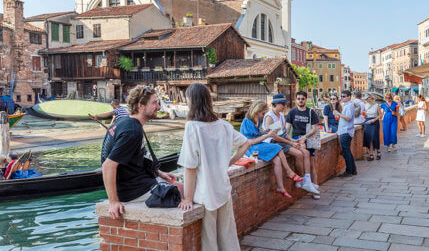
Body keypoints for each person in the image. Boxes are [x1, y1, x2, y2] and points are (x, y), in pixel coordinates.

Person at [178, 83, 250, 251]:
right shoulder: (224, 125)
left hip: (205, 192)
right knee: (228, 236)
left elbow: (190, 167)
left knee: (209, 241)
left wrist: (188, 199)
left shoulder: (192, 127)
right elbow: (245, 144)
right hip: (223, 188)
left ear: (192, 101)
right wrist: (228, 162)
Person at [101, 86, 183, 218]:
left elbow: (137, 158)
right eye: (154, 103)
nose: (158, 107)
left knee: (180, 185)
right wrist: (114, 202)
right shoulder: (132, 131)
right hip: (133, 191)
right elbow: (108, 166)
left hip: (137, 182)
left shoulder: (125, 122)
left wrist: (160, 173)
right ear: (141, 105)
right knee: (185, 192)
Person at [240, 100, 302, 199]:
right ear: (257, 110)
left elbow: (256, 134)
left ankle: (280, 187)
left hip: (258, 144)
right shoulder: (248, 121)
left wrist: (264, 132)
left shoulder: (265, 118)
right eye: (262, 113)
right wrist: (267, 135)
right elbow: (251, 141)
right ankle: (289, 172)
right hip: (250, 148)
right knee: (279, 148)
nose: (263, 115)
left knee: (277, 160)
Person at [264, 94, 318, 196]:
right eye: (283, 104)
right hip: (274, 142)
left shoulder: (281, 116)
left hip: (282, 140)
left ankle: (306, 180)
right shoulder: (269, 117)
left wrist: (294, 141)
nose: (285, 106)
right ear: (275, 104)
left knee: (305, 153)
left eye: (285, 104)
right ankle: (302, 180)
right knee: (299, 154)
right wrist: (291, 143)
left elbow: (284, 134)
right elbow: (274, 137)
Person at [286, 91, 321, 198]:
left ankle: (313, 188)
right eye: (299, 98)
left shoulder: (311, 112)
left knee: (311, 165)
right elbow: (286, 131)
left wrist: (305, 137)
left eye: (302, 98)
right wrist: (292, 140)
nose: (300, 100)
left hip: (309, 139)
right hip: (296, 138)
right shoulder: (292, 112)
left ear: (306, 99)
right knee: (301, 157)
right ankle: (304, 181)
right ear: (296, 100)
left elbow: (316, 128)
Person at [337, 90, 357, 177]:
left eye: (344, 96)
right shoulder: (348, 105)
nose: (342, 98)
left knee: (346, 152)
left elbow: (348, 118)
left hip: (345, 131)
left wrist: (338, 114)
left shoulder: (349, 106)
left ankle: (349, 171)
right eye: (342, 96)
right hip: (345, 131)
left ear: (349, 97)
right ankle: (353, 170)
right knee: (347, 151)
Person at [363, 94, 382, 161]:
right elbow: (364, 114)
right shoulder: (365, 105)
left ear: (371, 98)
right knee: (369, 138)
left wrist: (374, 119)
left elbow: (380, 115)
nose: (366, 100)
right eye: (365, 99)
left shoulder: (376, 105)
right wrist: (364, 116)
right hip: (367, 122)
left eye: (367, 98)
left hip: (375, 122)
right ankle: (371, 154)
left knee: (375, 137)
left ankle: (378, 152)